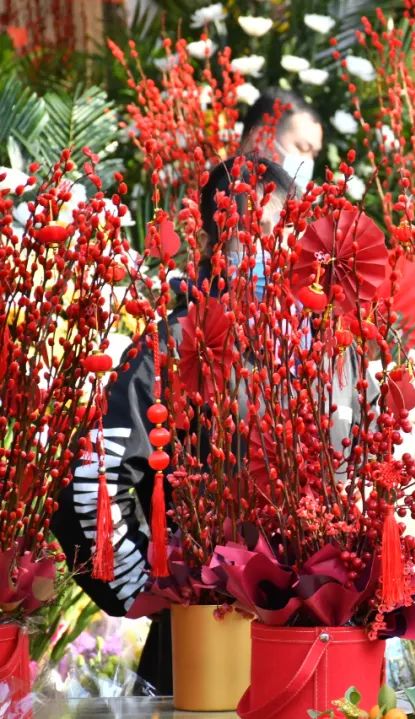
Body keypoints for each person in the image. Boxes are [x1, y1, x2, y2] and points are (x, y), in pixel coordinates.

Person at [52, 157, 297, 693]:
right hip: (205, 644)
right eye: (262, 236)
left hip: (313, 639)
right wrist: (153, 587)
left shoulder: (321, 350)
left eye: (290, 236)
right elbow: (88, 482)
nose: (278, 255)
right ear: (217, 237)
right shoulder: (174, 347)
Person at [240, 88, 324, 188]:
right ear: (261, 138)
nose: (308, 161)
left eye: (314, 155)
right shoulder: (229, 192)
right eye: (302, 148)